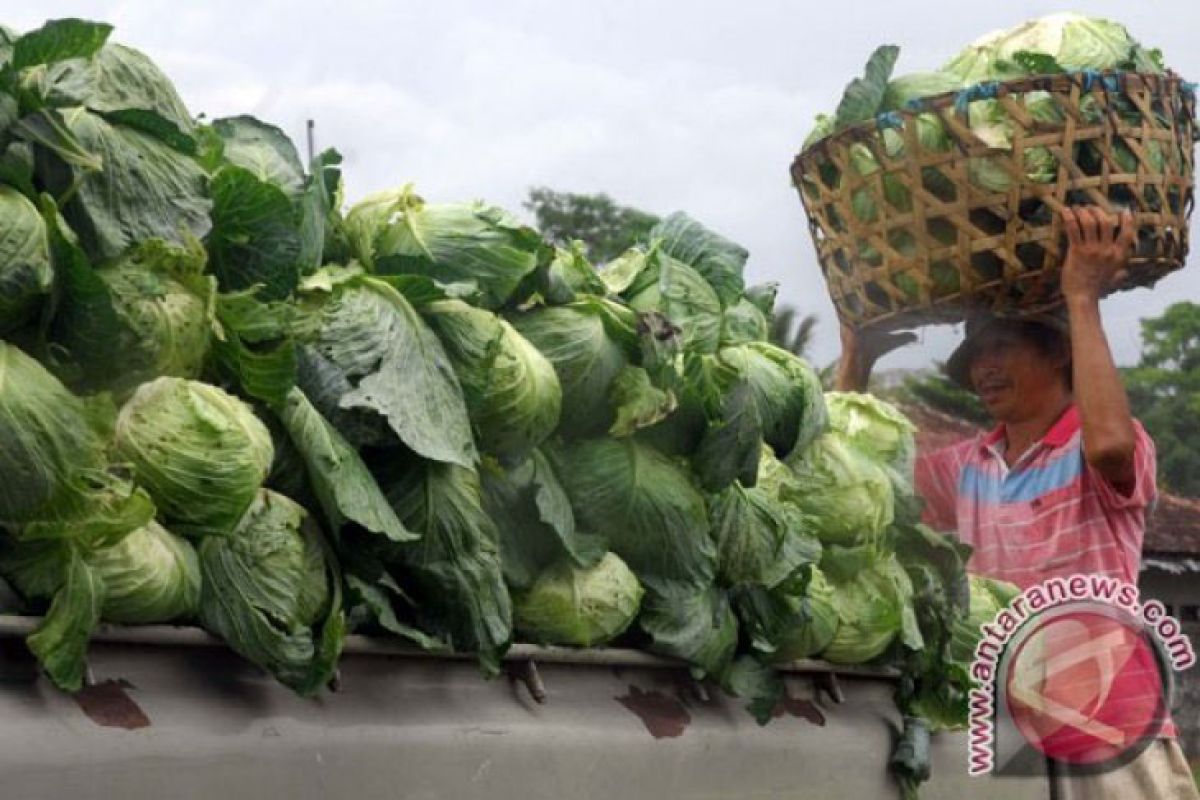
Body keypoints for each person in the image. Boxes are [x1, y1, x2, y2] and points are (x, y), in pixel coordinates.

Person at [835, 206, 1198, 799]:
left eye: (1001, 346)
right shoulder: (967, 466)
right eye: (975, 355)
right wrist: (857, 358)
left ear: (1056, 354)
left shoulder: (1092, 447)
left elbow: (1111, 444)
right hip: (1013, 726)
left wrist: (1081, 298)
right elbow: (856, 472)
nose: (984, 367)